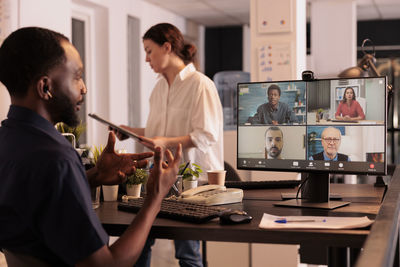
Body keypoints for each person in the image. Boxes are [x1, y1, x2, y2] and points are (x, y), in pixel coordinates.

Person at [0, 26, 182, 267]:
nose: (83, 88)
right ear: (46, 87)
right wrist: (155, 198)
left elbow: (36, 199)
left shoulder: (8, 141)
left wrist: (95, 175)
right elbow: (106, 265)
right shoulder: (57, 159)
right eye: (76, 76)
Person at [115, 23, 223, 267]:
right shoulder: (159, 88)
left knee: (187, 253)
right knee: (140, 243)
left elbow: (205, 135)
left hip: (189, 179)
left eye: (149, 51)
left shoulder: (200, 84)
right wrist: (131, 132)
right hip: (159, 177)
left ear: (167, 47)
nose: (146, 58)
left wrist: (164, 142)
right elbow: (157, 134)